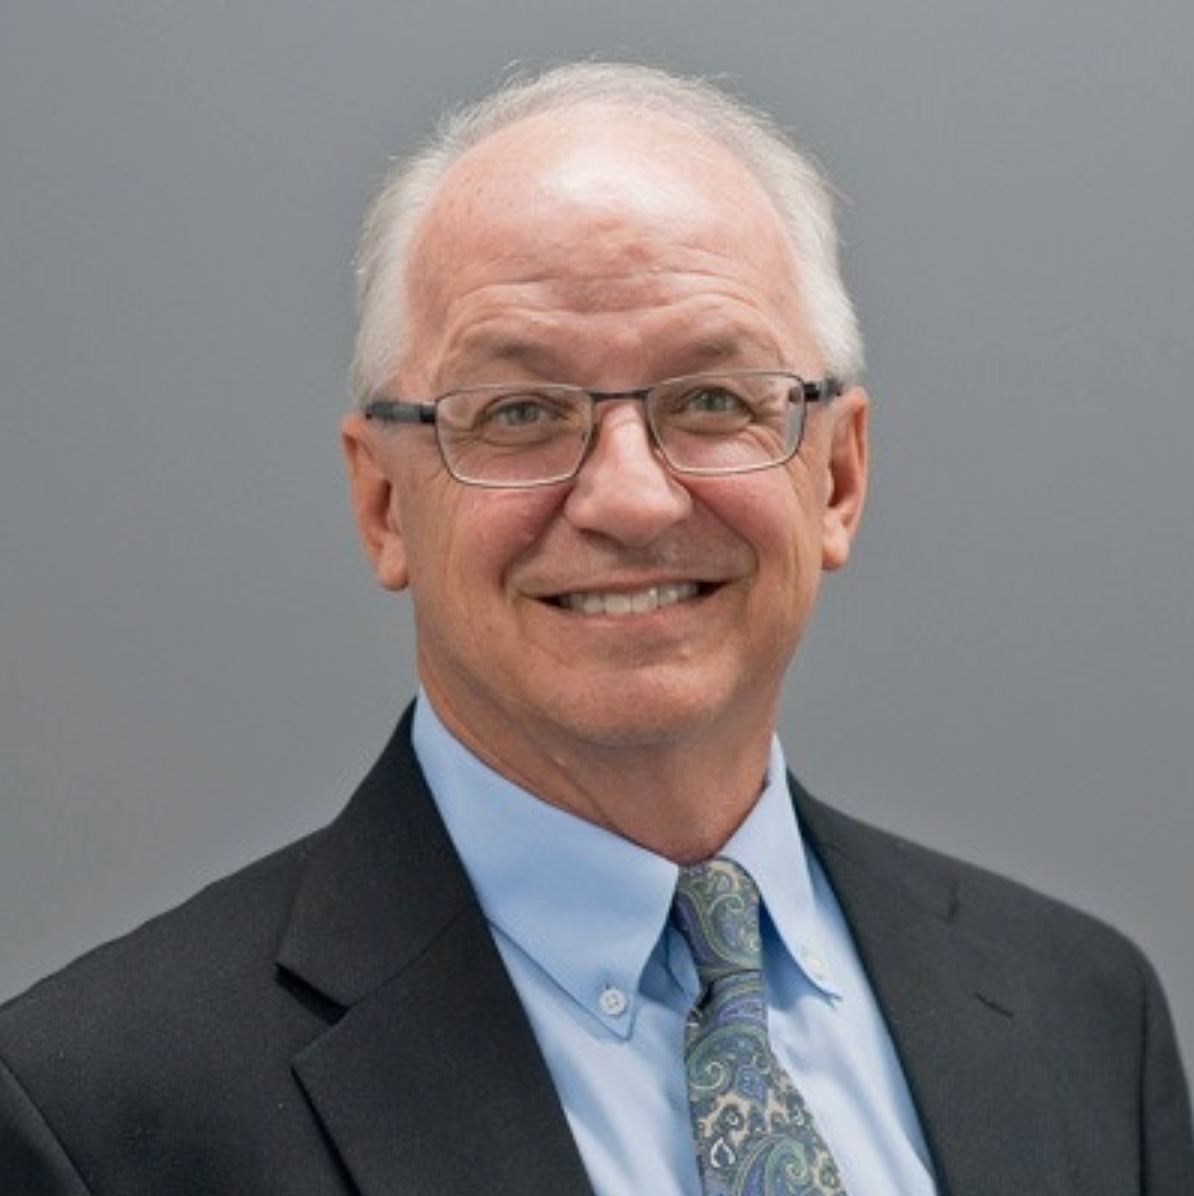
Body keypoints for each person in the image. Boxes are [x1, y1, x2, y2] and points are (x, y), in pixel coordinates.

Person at [0, 61, 1190, 1196]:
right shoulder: (98, 1115)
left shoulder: (1084, 1014)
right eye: (519, 410)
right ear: (383, 504)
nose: (631, 498)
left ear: (838, 475)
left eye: (713, 398)